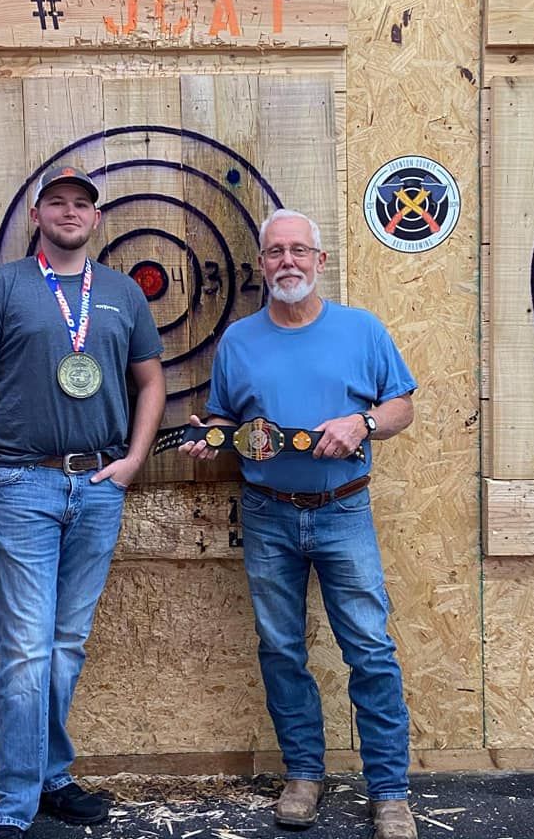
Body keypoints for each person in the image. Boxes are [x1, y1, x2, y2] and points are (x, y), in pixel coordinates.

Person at [181, 209, 418, 839]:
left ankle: (390, 792)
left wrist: (361, 423)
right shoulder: (239, 341)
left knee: (369, 650)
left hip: (345, 510)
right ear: (261, 265)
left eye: (298, 251)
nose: (288, 262)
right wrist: (210, 441)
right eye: (275, 252)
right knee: (282, 650)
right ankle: (304, 776)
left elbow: (402, 407)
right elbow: (224, 422)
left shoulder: (362, 331)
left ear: (319, 260)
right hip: (267, 517)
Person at [0, 163, 165, 839]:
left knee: (66, 645)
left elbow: (151, 383)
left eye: (82, 204)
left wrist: (132, 461)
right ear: (37, 216)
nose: (70, 212)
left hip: (98, 488)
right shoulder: (2, 288)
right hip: (20, 486)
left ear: (97, 219)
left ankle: (51, 776)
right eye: (57, 203)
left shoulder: (123, 294)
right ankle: (13, 806)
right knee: (26, 651)